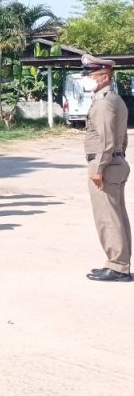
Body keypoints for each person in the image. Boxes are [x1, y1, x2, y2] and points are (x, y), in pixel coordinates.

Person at [80, 54, 131, 282]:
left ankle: (118, 266)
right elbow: (121, 139)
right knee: (117, 215)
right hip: (115, 162)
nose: (87, 79)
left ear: (104, 77)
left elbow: (106, 140)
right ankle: (120, 264)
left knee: (107, 217)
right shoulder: (115, 99)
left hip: (105, 164)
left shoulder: (103, 102)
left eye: (91, 75)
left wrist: (99, 168)